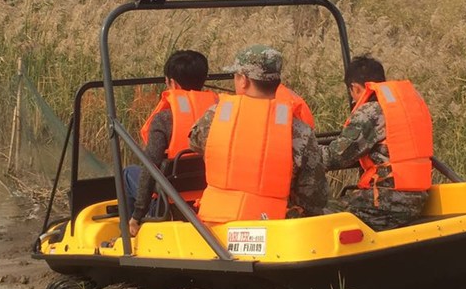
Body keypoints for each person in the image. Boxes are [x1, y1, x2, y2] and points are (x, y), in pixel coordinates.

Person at [188, 45, 328, 222]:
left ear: (244, 81)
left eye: (235, 76)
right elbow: (314, 196)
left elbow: (195, 144)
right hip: (274, 226)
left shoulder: (215, 116)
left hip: (216, 224)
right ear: (276, 82)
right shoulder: (299, 131)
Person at [322, 55, 433, 230]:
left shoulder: (370, 112)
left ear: (355, 88)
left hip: (385, 203)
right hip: (417, 199)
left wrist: (299, 153)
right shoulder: (406, 107)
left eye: (351, 93)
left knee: (316, 213)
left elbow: (336, 156)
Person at [126, 50, 217, 237]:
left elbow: (150, 167)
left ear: (172, 83)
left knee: (127, 173)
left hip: (172, 204)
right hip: (209, 198)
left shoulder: (165, 119)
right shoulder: (220, 113)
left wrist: (137, 213)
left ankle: (131, 231)